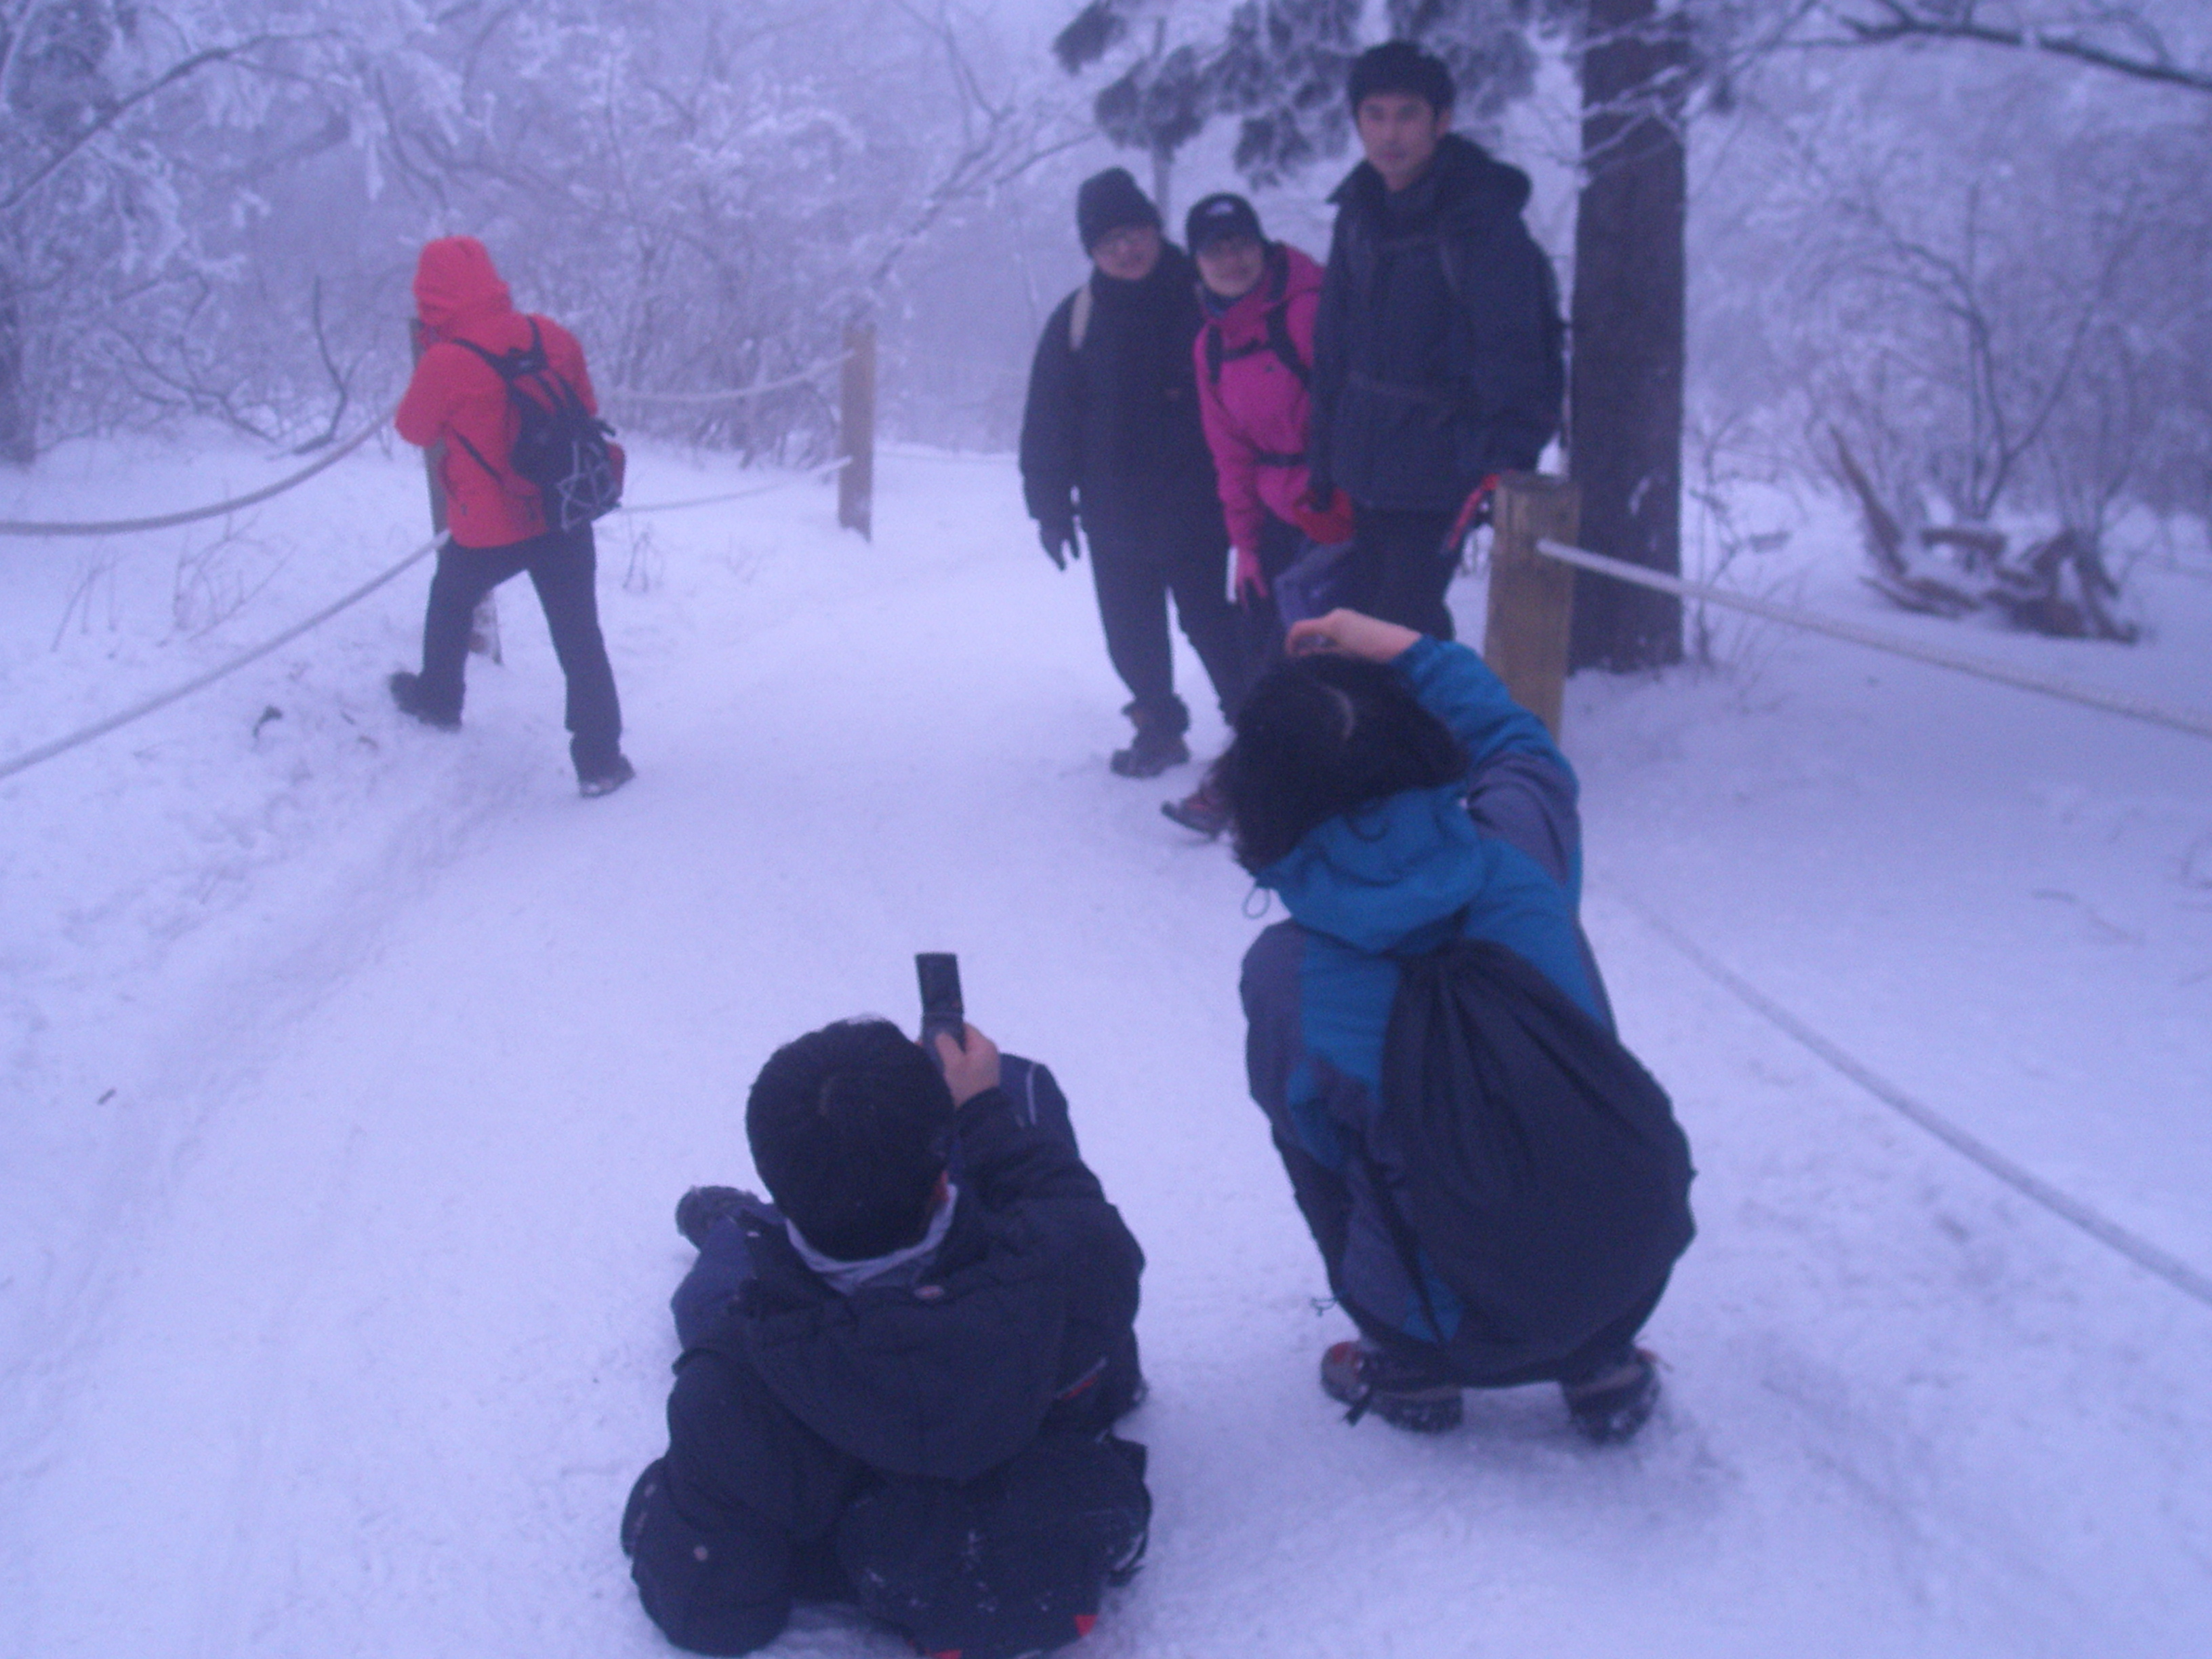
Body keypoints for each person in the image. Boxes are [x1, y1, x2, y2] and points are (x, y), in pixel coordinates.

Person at [1219, 608, 1688, 1442]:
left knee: (1315, 1132)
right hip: (1634, 1268)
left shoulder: (1286, 977)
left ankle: (1413, 1372)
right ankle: (1601, 1363)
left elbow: (1316, 1138)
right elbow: (1523, 747)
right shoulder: (1518, 851)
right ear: (1431, 748)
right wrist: (1404, 649)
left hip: (1439, 1322)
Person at [622, 1017, 1149, 1658]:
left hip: (805, 1358)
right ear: (942, 1178)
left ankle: (734, 1224)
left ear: (779, 1190)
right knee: (1018, 1086)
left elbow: (710, 1613)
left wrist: (677, 1490)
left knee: (714, 1286)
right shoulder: (1080, 1260)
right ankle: (749, 1219)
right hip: (1014, 1343)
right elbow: (1063, 1195)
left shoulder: (733, 1381)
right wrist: (982, 1110)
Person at [1307, 41, 1565, 641]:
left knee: (1393, 631)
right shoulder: (1358, 214)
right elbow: (1332, 350)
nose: (1390, 134)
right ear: (1357, 122)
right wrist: (1323, 460)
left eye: (1407, 115)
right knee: (1389, 624)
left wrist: (1501, 466)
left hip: (1442, 468)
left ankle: (1418, 733)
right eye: (1375, 115)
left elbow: (1513, 353)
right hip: (1364, 464)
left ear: (1441, 122)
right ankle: (1434, 729)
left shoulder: (1480, 219)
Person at [1021, 167, 1256, 779]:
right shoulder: (1077, 319)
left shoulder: (1204, 298)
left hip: (1199, 503)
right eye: (1108, 243)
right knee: (1130, 634)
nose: (1126, 250)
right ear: (1093, 252)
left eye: (1134, 233)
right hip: (1113, 509)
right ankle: (1158, 727)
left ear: (1155, 229)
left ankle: (1256, 728)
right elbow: (1049, 418)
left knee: (1213, 624)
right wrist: (1049, 506)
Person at [390, 235, 634, 797]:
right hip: (563, 510)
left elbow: (413, 430)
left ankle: (439, 700)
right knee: (580, 637)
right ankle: (600, 762)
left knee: (451, 598)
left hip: (490, 526)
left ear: (431, 295)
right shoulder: (550, 335)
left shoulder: (445, 361)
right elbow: (587, 407)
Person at [1164, 192, 1355, 838]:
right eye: (1216, 250)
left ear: (1263, 245)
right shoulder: (1211, 347)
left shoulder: (1309, 309)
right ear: (1197, 264)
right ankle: (1277, 781)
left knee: (1295, 652)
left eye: (1242, 243)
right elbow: (1230, 453)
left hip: (1335, 502)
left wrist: (1342, 494)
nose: (1232, 260)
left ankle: (1236, 788)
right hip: (1275, 514)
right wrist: (1245, 547)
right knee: (1255, 647)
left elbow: (1351, 402)